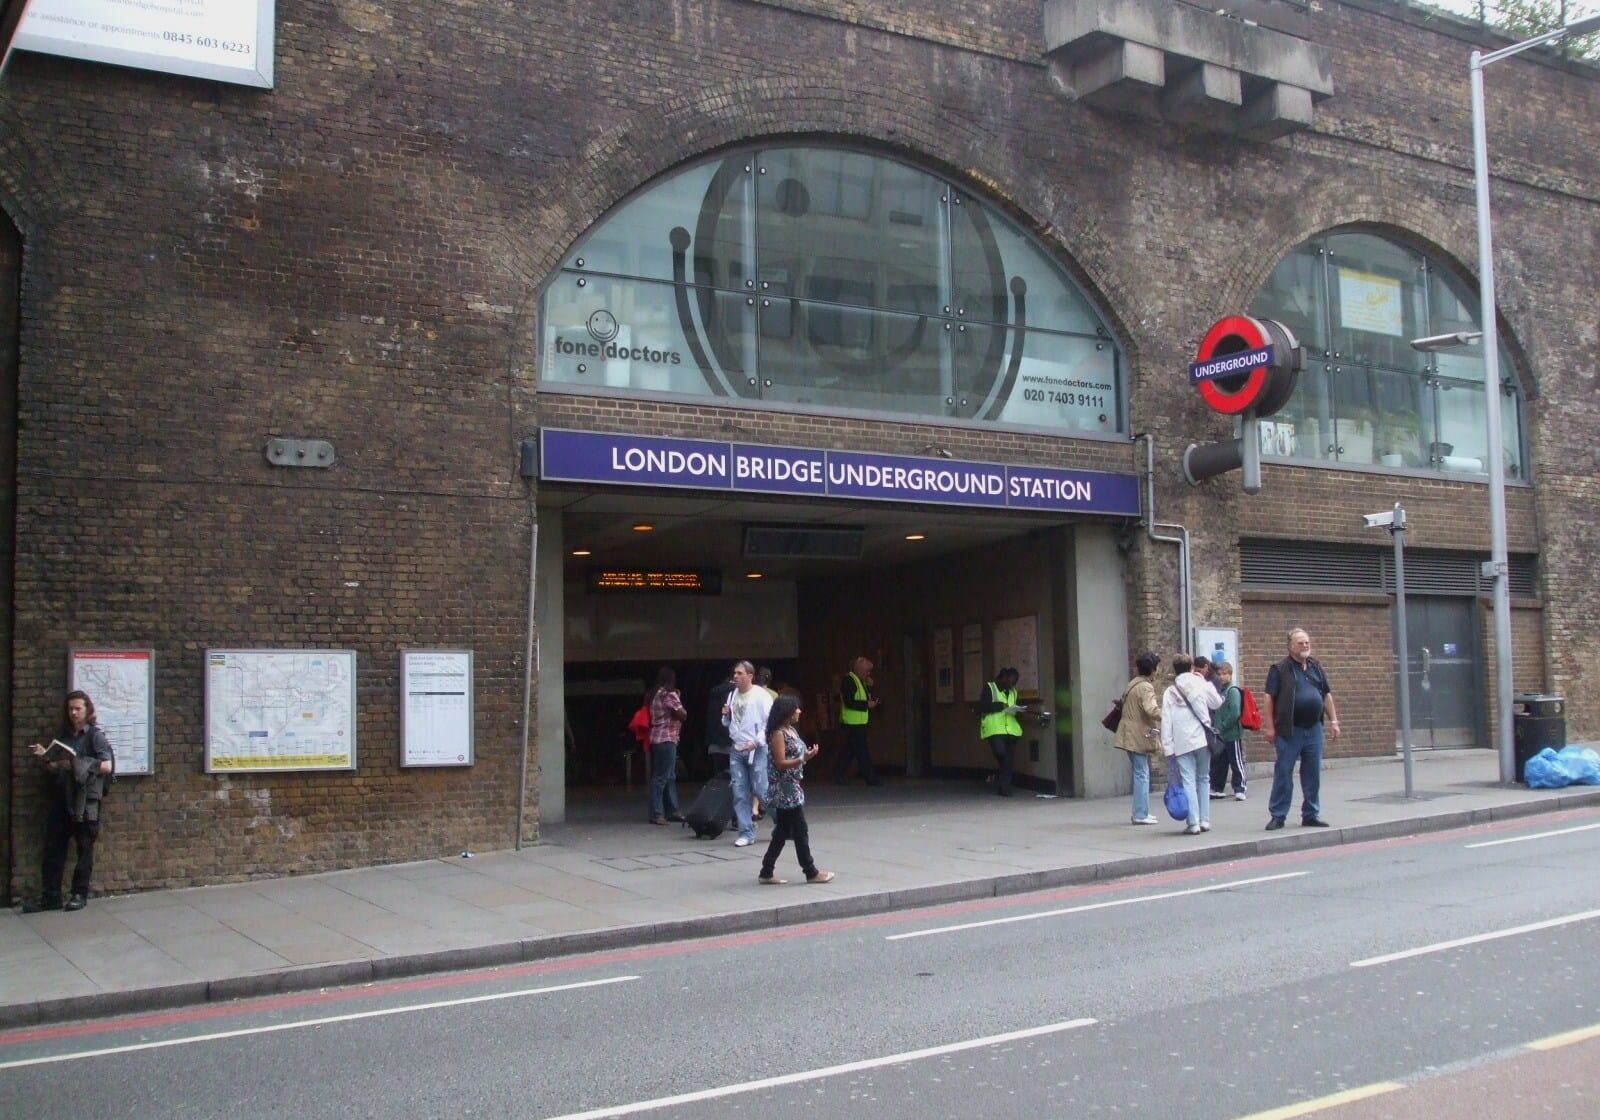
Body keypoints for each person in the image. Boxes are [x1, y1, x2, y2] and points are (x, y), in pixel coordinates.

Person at [22, 690, 115, 913]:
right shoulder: (63, 735)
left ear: (87, 710)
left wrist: (79, 763)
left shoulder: (95, 736)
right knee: (53, 848)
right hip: (63, 798)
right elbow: (57, 766)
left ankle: (79, 894)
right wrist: (47, 758)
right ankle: (51, 896)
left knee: (84, 848)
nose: (73, 713)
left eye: (78, 709)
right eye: (70, 709)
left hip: (85, 801)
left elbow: (107, 766)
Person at [1264, 628, 1340, 830]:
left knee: (1313, 773)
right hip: (1290, 730)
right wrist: (1270, 727)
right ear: (1290, 646)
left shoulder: (1316, 666)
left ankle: (1311, 814)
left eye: (1307, 642)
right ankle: (1278, 815)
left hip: (1314, 729)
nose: (1305, 645)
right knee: (1284, 772)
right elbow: (1269, 698)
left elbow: (1326, 695)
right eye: (1300, 643)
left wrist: (1334, 721)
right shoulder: (1279, 669)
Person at [757, 694, 835, 885]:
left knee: (782, 831)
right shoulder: (778, 734)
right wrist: (803, 759)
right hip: (784, 790)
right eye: (796, 709)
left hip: (793, 786)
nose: (799, 711)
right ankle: (810, 871)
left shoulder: (790, 730)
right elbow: (781, 762)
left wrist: (807, 755)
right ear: (787, 712)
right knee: (800, 830)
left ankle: (766, 871)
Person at [1160, 653, 1222, 835]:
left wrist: (1167, 747)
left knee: (1188, 780)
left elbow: (1166, 721)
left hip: (1181, 742)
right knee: (1204, 778)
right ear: (1192, 668)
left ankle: (1193, 823)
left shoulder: (1170, 692)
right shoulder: (1200, 683)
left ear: (1174, 669)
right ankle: (1205, 820)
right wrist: (1205, 681)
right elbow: (1217, 703)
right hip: (1202, 739)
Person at [721, 660, 772, 847]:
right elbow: (727, 723)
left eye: (740, 673)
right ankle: (746, 832)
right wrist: (725, 716)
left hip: (757, 748)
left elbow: (769, 723)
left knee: (762, 789)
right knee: (739, 792)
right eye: (734, 673)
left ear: (750, 676)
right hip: (737, 748)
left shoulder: (761, 696)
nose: (735, 676)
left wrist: (756, 741)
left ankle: (783, 822)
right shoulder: (731, 695)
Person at [1113, 652, 1163, 825]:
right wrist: (1168, 715)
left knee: (1140, 771)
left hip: (1129, 732)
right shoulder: (1146, 687)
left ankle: (1141, 812)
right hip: (1138, 734)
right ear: (1153, 669)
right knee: (1142, 773)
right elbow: (1151, 710)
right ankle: (1141, 814)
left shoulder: (1133, 684)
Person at [645, 667, 688, 826]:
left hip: (657, 739)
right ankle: (657, 813)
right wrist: (678, 697)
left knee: (668, 776)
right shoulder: (669, 694)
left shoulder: (655, 694)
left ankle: (672, 810)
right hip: (667, 739)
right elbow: (683, 714)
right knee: (662, 778)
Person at [834, 655, 882, 786]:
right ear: (859, 669)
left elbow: (865, 697)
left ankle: (838, 774)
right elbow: (849, 702)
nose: (868, 674)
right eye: (867, 671)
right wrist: (867, 704)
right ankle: (870, 778)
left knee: (849, 751)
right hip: (852, 722)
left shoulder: (861, 681)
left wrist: (870, 688)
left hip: (859, 722)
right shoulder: (849, 681)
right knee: (862, 751)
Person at [978, 667, 1025, 797]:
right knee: (1000, 753)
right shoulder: (990, 687)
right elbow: (982, 707)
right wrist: (1001, 706)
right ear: (1003, 678)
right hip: (995, 728)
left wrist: (1019, 710)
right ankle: (1001, 778)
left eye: (1014, 683)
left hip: (1012, 730)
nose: (1012, 685)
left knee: (1009, 760)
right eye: (1011, 681)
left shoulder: (1014, 692)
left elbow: (1017, 706)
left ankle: (1004, 788)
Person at [1209, 660, 1248, 801]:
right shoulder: (1219, 691)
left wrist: (1223, 725)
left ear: (1230, 675)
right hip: (1221, 735)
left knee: (1236, 761)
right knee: (1220, 762)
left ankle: (1240, 787)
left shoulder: (1232, 691)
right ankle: (1217, 787)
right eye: (1219, 674)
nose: (1221, 677)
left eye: (1224, 674)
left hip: (1231, 734)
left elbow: (1235, 712)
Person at [704, 670, 736, 779]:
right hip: (732, 742)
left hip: (715, 742)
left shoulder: (714, 692)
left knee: (718, 777)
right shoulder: (738, 693)